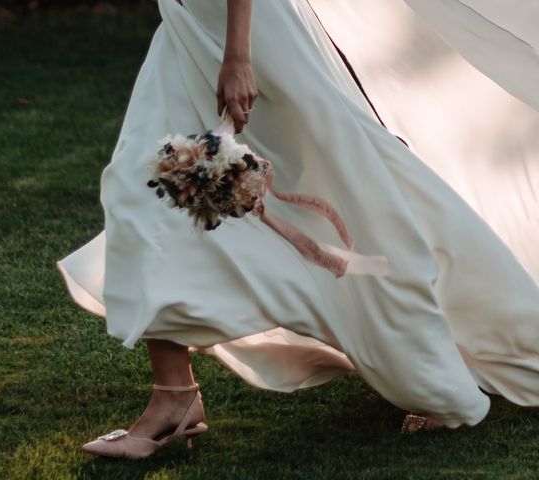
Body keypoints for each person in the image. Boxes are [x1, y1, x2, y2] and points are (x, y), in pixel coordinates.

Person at [56, 0, 539, 459]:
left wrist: (239, 55)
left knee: (347, 187)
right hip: (183, 27)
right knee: (142, 189)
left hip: (247, 36)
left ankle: (435, 356)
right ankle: (173, 396)